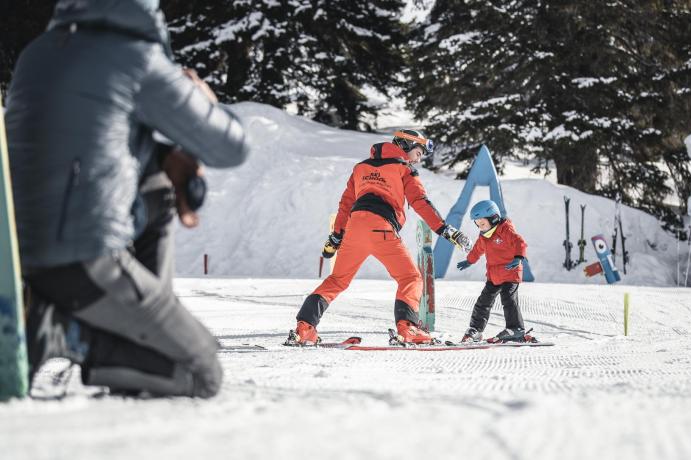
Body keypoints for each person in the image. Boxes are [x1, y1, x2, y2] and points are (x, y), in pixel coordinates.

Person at [6, 0, 249, 397]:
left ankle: (112, 328)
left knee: (157, 183)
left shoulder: (39, 52)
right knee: (202, 371)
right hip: (85, 262)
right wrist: (203, 97)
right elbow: (229, 147)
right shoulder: (133, 56)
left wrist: (162, 158)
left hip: (24, 257)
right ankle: (72, 335)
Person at [290, 129, 470, 345]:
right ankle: (408, 329)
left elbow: (345, 205)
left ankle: (305, 328)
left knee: (337, 280)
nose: (419, 158)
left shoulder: (360, 168)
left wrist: (336, 238)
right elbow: (420, 202)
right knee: (410, 278)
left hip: (355, 228)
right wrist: (445, 230)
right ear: (405, 145)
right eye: (418, 152)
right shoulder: (405, 169)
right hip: (381, 228)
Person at [456, 200, 529, 343]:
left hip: (510, 272)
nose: (480, 227)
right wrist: (469, 260)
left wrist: (519, 256)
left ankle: (516, 329)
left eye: (482, 224)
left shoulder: (505, 230)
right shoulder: (484, 236)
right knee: (483, 302)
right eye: (477, 224)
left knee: (508, 300)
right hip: (494, 276)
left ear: (494, 218)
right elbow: (477, 249)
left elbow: (519, 242)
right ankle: (476, 330)